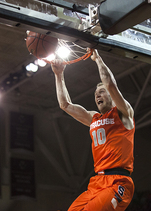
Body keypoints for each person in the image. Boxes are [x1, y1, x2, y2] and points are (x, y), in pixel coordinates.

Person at [51, 49, 135, 211]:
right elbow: (65, 105)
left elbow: (110, 83)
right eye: (96, 93)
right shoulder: (93, 118)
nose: (97, 95)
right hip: (97, 182)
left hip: (118, 181)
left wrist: (97, 59)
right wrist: (58, 75)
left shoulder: (124, 114)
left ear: (111, 95)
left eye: (101, 92)